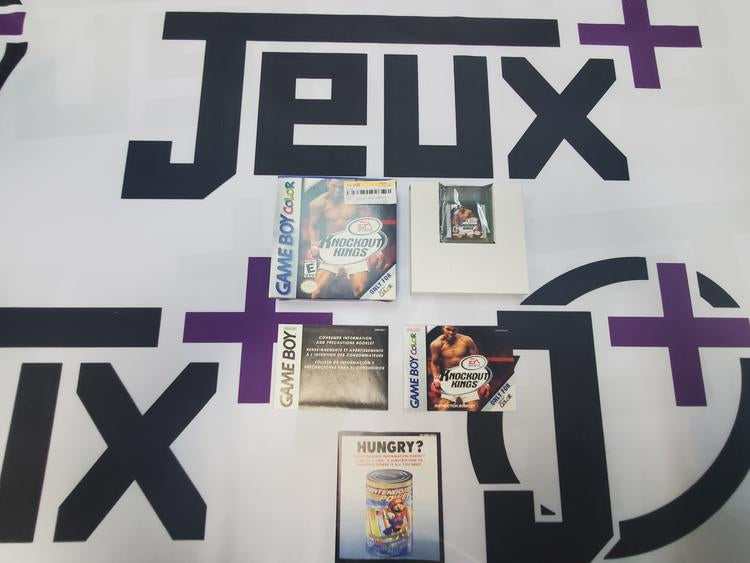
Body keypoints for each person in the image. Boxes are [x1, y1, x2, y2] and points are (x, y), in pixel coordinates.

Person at [306, 178, 384, 298]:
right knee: (317, 292)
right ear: (327, 183)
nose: (337, 190)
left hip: (354, 247)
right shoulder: (317, 203)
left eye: (341, 187)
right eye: (334, 186)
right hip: (331, 248)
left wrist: (376, 249)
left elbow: (369, 224)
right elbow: (313, 226)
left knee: (361, 290)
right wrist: (314, 245)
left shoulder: (357, 201)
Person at [428, 326, 488, 411]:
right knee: (442, 408)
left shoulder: (466, 340)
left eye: (454, 330)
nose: (451, 332)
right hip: (449, 378)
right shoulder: (436, 344)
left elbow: (477, 360)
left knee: (473, 407)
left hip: (467, 377)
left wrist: (484, 381)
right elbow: (434, 363)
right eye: (448, 329)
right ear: (443, 328)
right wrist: (436, 379)